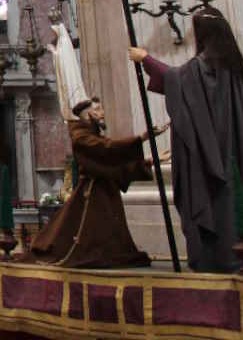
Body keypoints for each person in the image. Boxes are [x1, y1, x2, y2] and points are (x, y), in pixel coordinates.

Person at [130, 5, 243, 271]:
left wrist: (146, 59)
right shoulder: (233, 64)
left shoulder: (207, 64)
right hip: (238, 149)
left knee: (225, 208)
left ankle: (225, 258)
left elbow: (180, 82)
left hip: (219, 155)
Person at [31, 97, 167, 268]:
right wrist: (141, 138)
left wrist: (150, 161)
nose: (102, 113)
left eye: (102, 109)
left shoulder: (92, 134)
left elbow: (113, 163)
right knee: (88, 235)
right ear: (87, 114)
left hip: (105, 190)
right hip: (92, 193)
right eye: (97, 109)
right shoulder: (81, 137)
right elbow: (107, 148)